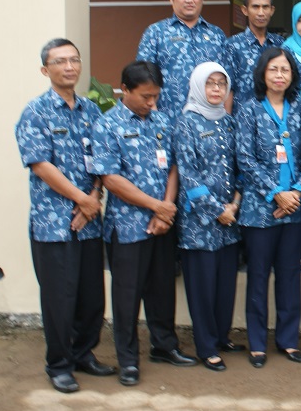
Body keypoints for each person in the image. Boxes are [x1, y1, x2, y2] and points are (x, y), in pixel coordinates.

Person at [15, 39, 114, 394]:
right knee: (59, 299)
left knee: (91, 298)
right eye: (60, 61)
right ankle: (59, 365)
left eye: (74, 60)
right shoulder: (36, 112)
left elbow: (104, 160)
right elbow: (41, 165)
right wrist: (81, 200)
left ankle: (83, 354)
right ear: (46, 70)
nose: (69, 67)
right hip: (53, 224)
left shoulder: (91, 111)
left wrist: (94, 197)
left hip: (88, 222)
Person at [91, 61, 197, 387]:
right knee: (127, 295)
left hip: (162, 224)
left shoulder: (163, 120)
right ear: (125, 89)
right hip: (127, 227)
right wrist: (156, 207)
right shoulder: (107, 125)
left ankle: (164, 346)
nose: (152, 103)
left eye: (156, 96)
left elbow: (175, 167)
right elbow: (109, 178)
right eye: (145, 96)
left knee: (162, 289)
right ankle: (127, 359)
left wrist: (165, 210)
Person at [235, 47, 301, 368]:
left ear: (293, 75)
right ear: (262, 74)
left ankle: (288, 340)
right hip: (259, 208)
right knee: (258, 275)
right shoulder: (248, 110)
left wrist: (295, 192)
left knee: (289, 275)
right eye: (273, 70)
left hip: (295, 207)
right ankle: (256, 342)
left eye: (285, 70)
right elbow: (245, 159)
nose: (279, 75)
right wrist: (275, 193)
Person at [172, 62, 243, 372]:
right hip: (200, 223)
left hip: (230, 221)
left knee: (225, 285)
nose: (216, 89)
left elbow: (240, 167)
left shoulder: (229, 122)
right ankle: (206, 346)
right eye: (210, 84)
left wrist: (235, 205)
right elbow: (188, 176)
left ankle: (221, 336)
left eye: (221, 84)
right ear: (198, 86)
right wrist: (218, 211)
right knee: (202, 287)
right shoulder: (186, 123)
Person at [137, 0, 228, 118]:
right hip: (168, 121)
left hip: (209, 124)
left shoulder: (217, 35)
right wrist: (154, 117)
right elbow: (143, 78)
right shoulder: (156, 33)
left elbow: (227, 81)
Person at [226, 0, 285, 113]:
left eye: (265, 7)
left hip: (274, 119)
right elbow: (228, 88)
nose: (261, 13)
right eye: (255, 7)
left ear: (272, 10)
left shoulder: (280, 44)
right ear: (245, 10)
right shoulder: (232, 45)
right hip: (242, 119)